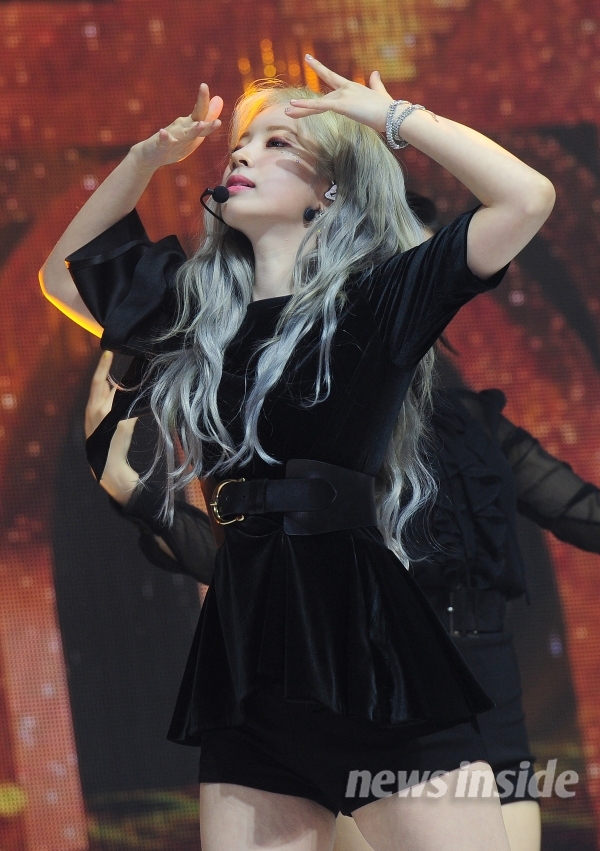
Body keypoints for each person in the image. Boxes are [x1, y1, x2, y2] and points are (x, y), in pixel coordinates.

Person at [41, 57, 555, 851]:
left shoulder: (380, 299)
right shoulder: (199, 308)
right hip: (248, 660)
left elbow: (527, 198)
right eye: (240, 145)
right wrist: (144, 160)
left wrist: (395, 120)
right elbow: (63, 277)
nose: (243, 155)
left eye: (277, 143)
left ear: (333, 190)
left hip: (371, 652)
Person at [85, 350, 600, 851]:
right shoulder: (335, 431)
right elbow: (254, 565)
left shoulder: (475, 424)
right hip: (390, 705)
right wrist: (135, 494)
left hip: (496, 711)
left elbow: (580, 512)